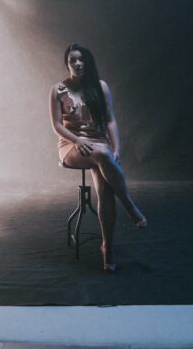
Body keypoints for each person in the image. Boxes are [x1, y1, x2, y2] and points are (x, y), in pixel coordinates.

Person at [49, 43, 146, 272]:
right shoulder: (58, 90)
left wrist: (117, 148)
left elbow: (110, 120)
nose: (77, 63)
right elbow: (56, 126)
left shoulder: (100, 87)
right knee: (102, 155)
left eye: (81, 59)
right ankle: (130, 206)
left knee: (105, 190)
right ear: (67, 63)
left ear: (88, 62)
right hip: (71, 146)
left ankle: (107, 248)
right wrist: (77, 140)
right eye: (73, 60)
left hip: (99, 143)